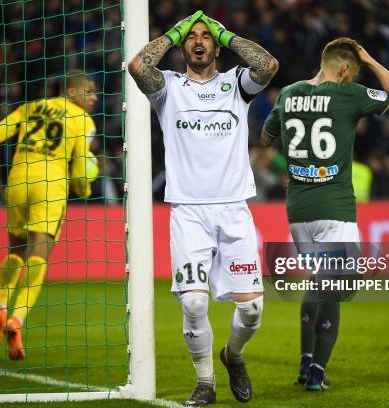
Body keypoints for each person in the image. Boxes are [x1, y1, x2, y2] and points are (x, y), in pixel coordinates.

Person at [129, 10, 278, 405]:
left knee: (252, 312)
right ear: (182, 47)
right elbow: (138, 66)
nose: (198, 41)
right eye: (191, 37)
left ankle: (233, 355)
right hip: (189, 212)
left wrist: (225, 33)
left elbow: (268, 65)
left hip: (233, 210)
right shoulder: (169, 89)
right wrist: (173, 31)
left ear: (214, 45)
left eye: (204, 37)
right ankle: (205, 382)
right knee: (194, 302)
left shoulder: (235, 85)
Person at [262, 37, 389, 390]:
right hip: (335, 208)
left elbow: (267, 139)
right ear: (345, 69)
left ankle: (306, 362)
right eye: (352, 73)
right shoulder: (348, 94)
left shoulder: (288, 93)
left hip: (298, 210)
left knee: (322, 285)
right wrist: (371, 59)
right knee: (340, 285)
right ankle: (315, 373)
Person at [0, 70, 98, 360]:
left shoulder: (31, 106)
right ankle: (16, 320)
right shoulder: (84, 121)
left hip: (17, 180)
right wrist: (84, 188)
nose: (94, 98)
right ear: (71, 92)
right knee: (39, 253)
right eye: (90, 91)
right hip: (51, 183)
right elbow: (82, 166)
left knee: (15, 249)